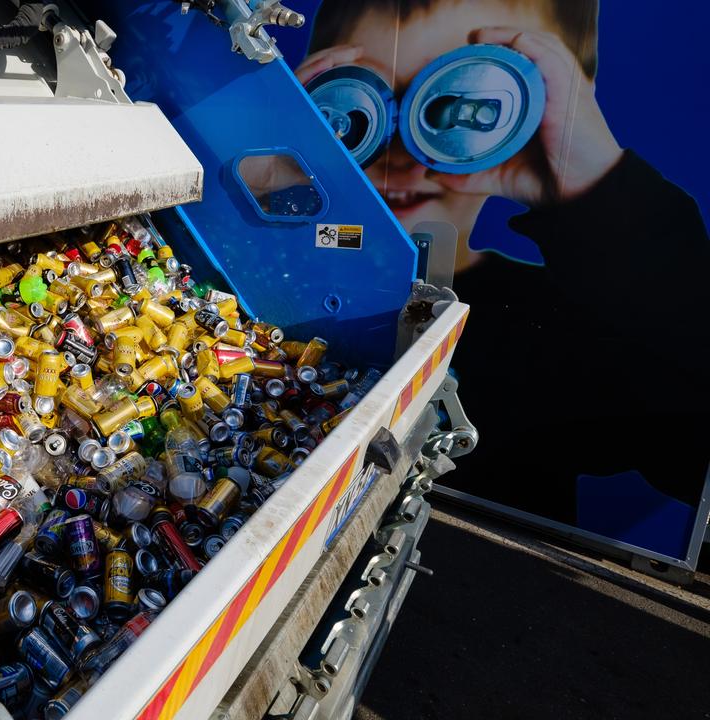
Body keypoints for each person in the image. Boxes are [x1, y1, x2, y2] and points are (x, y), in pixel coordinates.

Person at [297, 0, 710, 524]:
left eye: (459, 102)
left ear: (552, 112)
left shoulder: (564, 317)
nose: (402, 152)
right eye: (364, 110)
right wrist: (262, 199)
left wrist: (600, 190)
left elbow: (691, 457)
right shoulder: (274, 289)